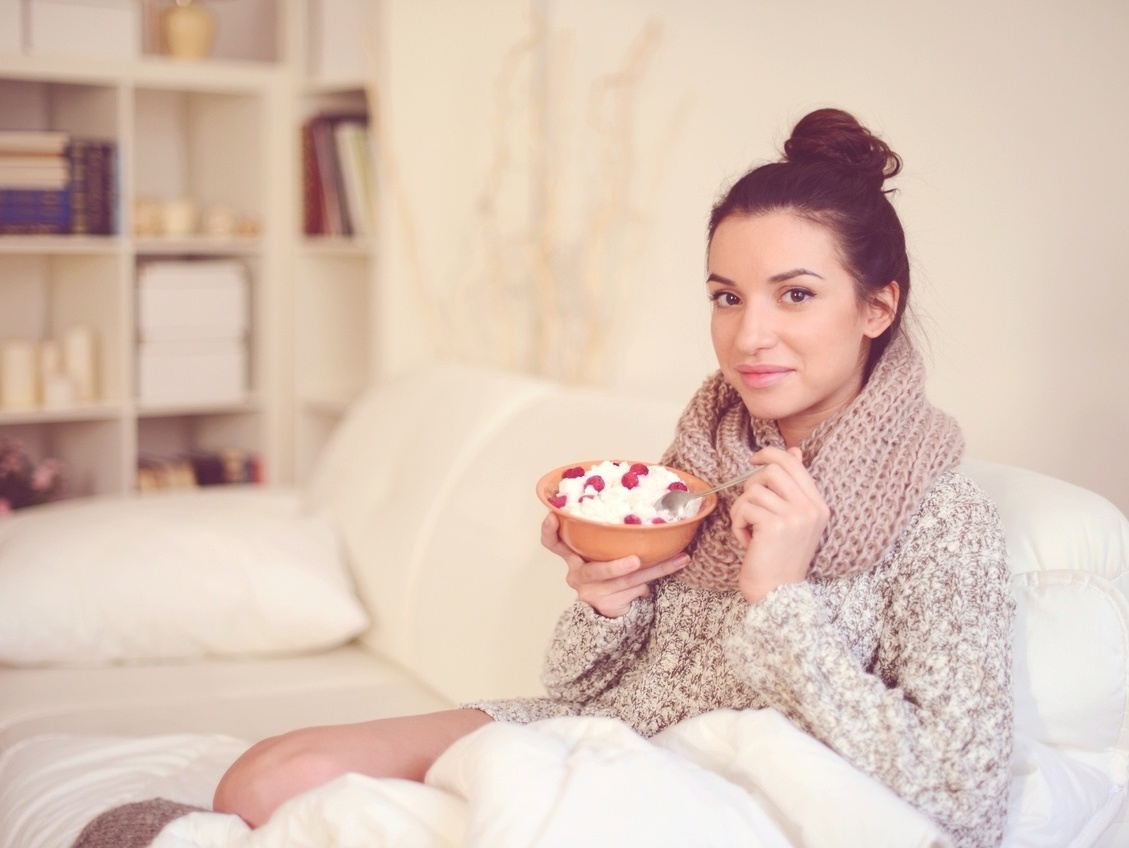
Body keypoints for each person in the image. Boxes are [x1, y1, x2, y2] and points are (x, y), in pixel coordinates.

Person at [214, 108, 1015, 848]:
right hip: (591, 728)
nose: (750, 335)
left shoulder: (939, 517)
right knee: (264, 779)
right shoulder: (698, 461)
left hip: (692, 782)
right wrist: (605, 597)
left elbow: (966, 791)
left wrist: (780, 605)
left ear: (876, 307)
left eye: (795, 295)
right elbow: (572, 681)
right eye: (725, 297)